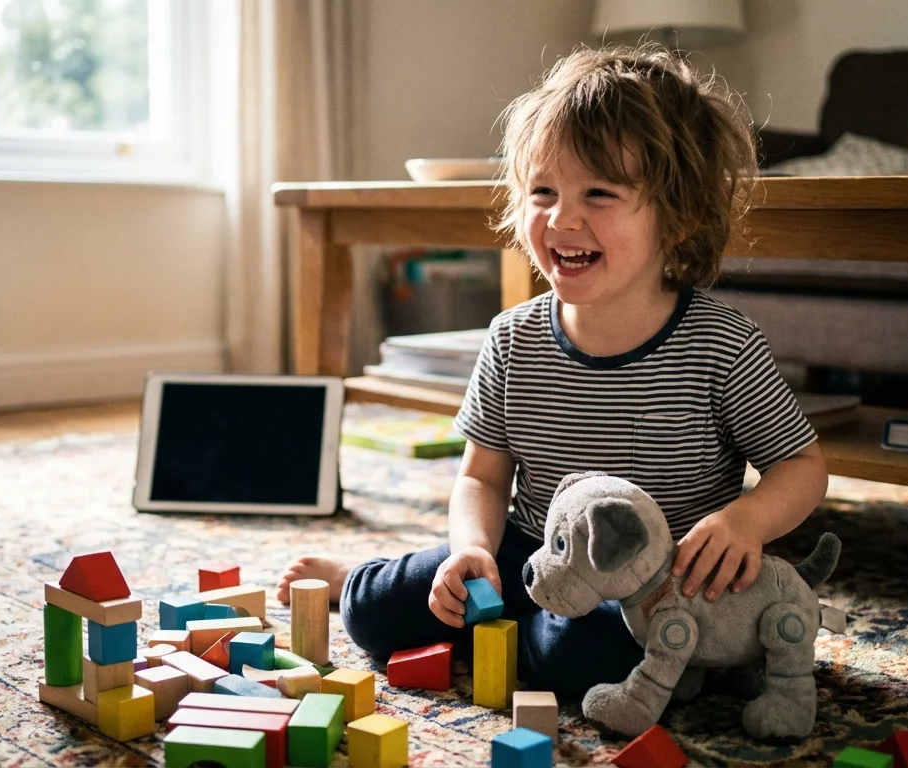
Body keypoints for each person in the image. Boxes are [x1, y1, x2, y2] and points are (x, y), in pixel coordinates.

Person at [277, 43, 829, 701]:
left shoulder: (720, 345)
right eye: (543, 191)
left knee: (584, 660)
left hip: (652, 587)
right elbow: (481, 476)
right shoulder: (513, 338)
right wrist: (470, 551)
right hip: (531, 553)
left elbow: (802, 467)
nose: (562, 218)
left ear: (682, 217)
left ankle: (526, 639)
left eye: (599, 193)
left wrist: (746, 522)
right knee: (374, 616)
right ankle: (356, 579)